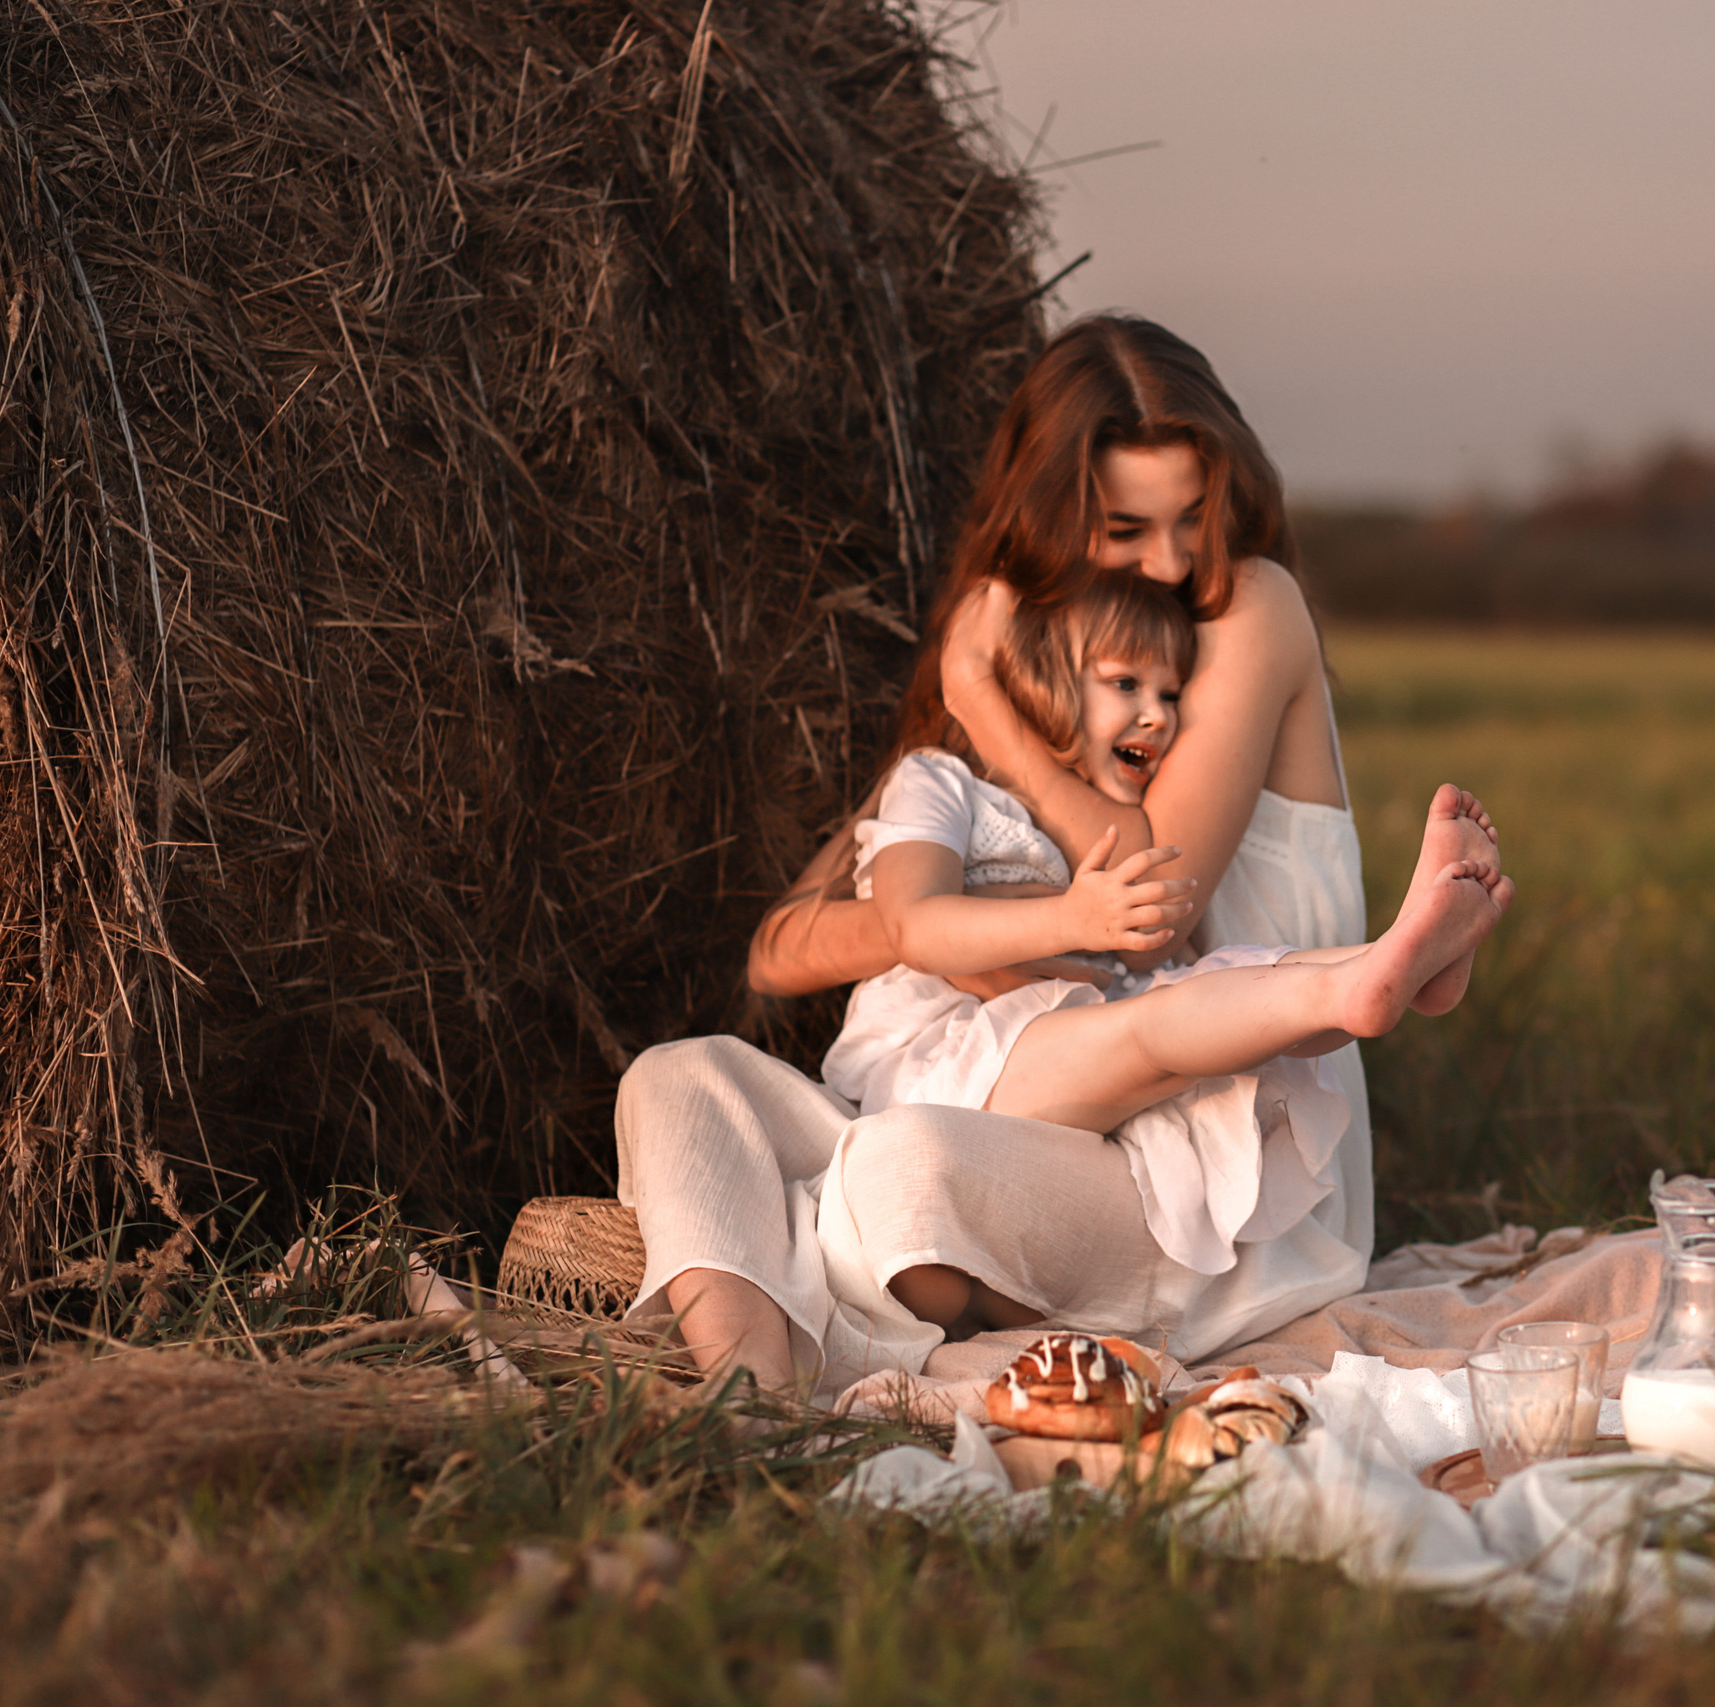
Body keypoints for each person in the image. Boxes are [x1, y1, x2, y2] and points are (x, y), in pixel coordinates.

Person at [614, 314, 1502, 1398]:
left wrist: (984, 731)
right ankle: (742, 1396)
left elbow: (1149, 908)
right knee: (679, 1076)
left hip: (1227, 1179)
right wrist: (939, 924)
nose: (1173, 563)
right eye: (1127, 528)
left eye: (1194, 518)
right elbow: (790, 942)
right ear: (1047, 520)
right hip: (989, 1106)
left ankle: (1372, 976)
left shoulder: (1241, 610)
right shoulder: (1030, 677)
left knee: (902, 1168)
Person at [814, 571, 1508, 1335]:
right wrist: (1072, 915)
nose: (1157, 712)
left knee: (1215, 993)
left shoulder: (1100, 818)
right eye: (1124, 682)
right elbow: (918, 927)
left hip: (1069, 1060)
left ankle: (1395, 963)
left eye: (1171, 693)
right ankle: (1371, 980)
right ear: (1040, 677)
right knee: (1157, 1028)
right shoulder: (938, 781)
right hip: (951, 1053)